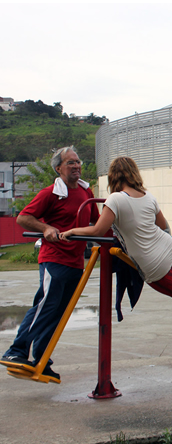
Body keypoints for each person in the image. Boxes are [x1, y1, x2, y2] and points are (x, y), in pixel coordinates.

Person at [58, 156, 172, 335]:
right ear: (134, 173)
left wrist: (73, 231)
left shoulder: (115, 200)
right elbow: (162, 225)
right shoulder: (147, 195)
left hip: (150, 260)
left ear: (113, 177)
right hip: (166, 246)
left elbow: (98, 230)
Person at [1, 146, 100, 381]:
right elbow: (24, 217)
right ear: (58, 168)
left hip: (76, 263)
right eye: (70, 163)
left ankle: (42, 360)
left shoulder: (87, 193)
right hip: (54, 259)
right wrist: (46, 228)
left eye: (78, 162)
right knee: (45, 306)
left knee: (58, 314)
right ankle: (16, 351)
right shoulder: (50, 193)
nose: (76, 166)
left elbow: (96, 222)